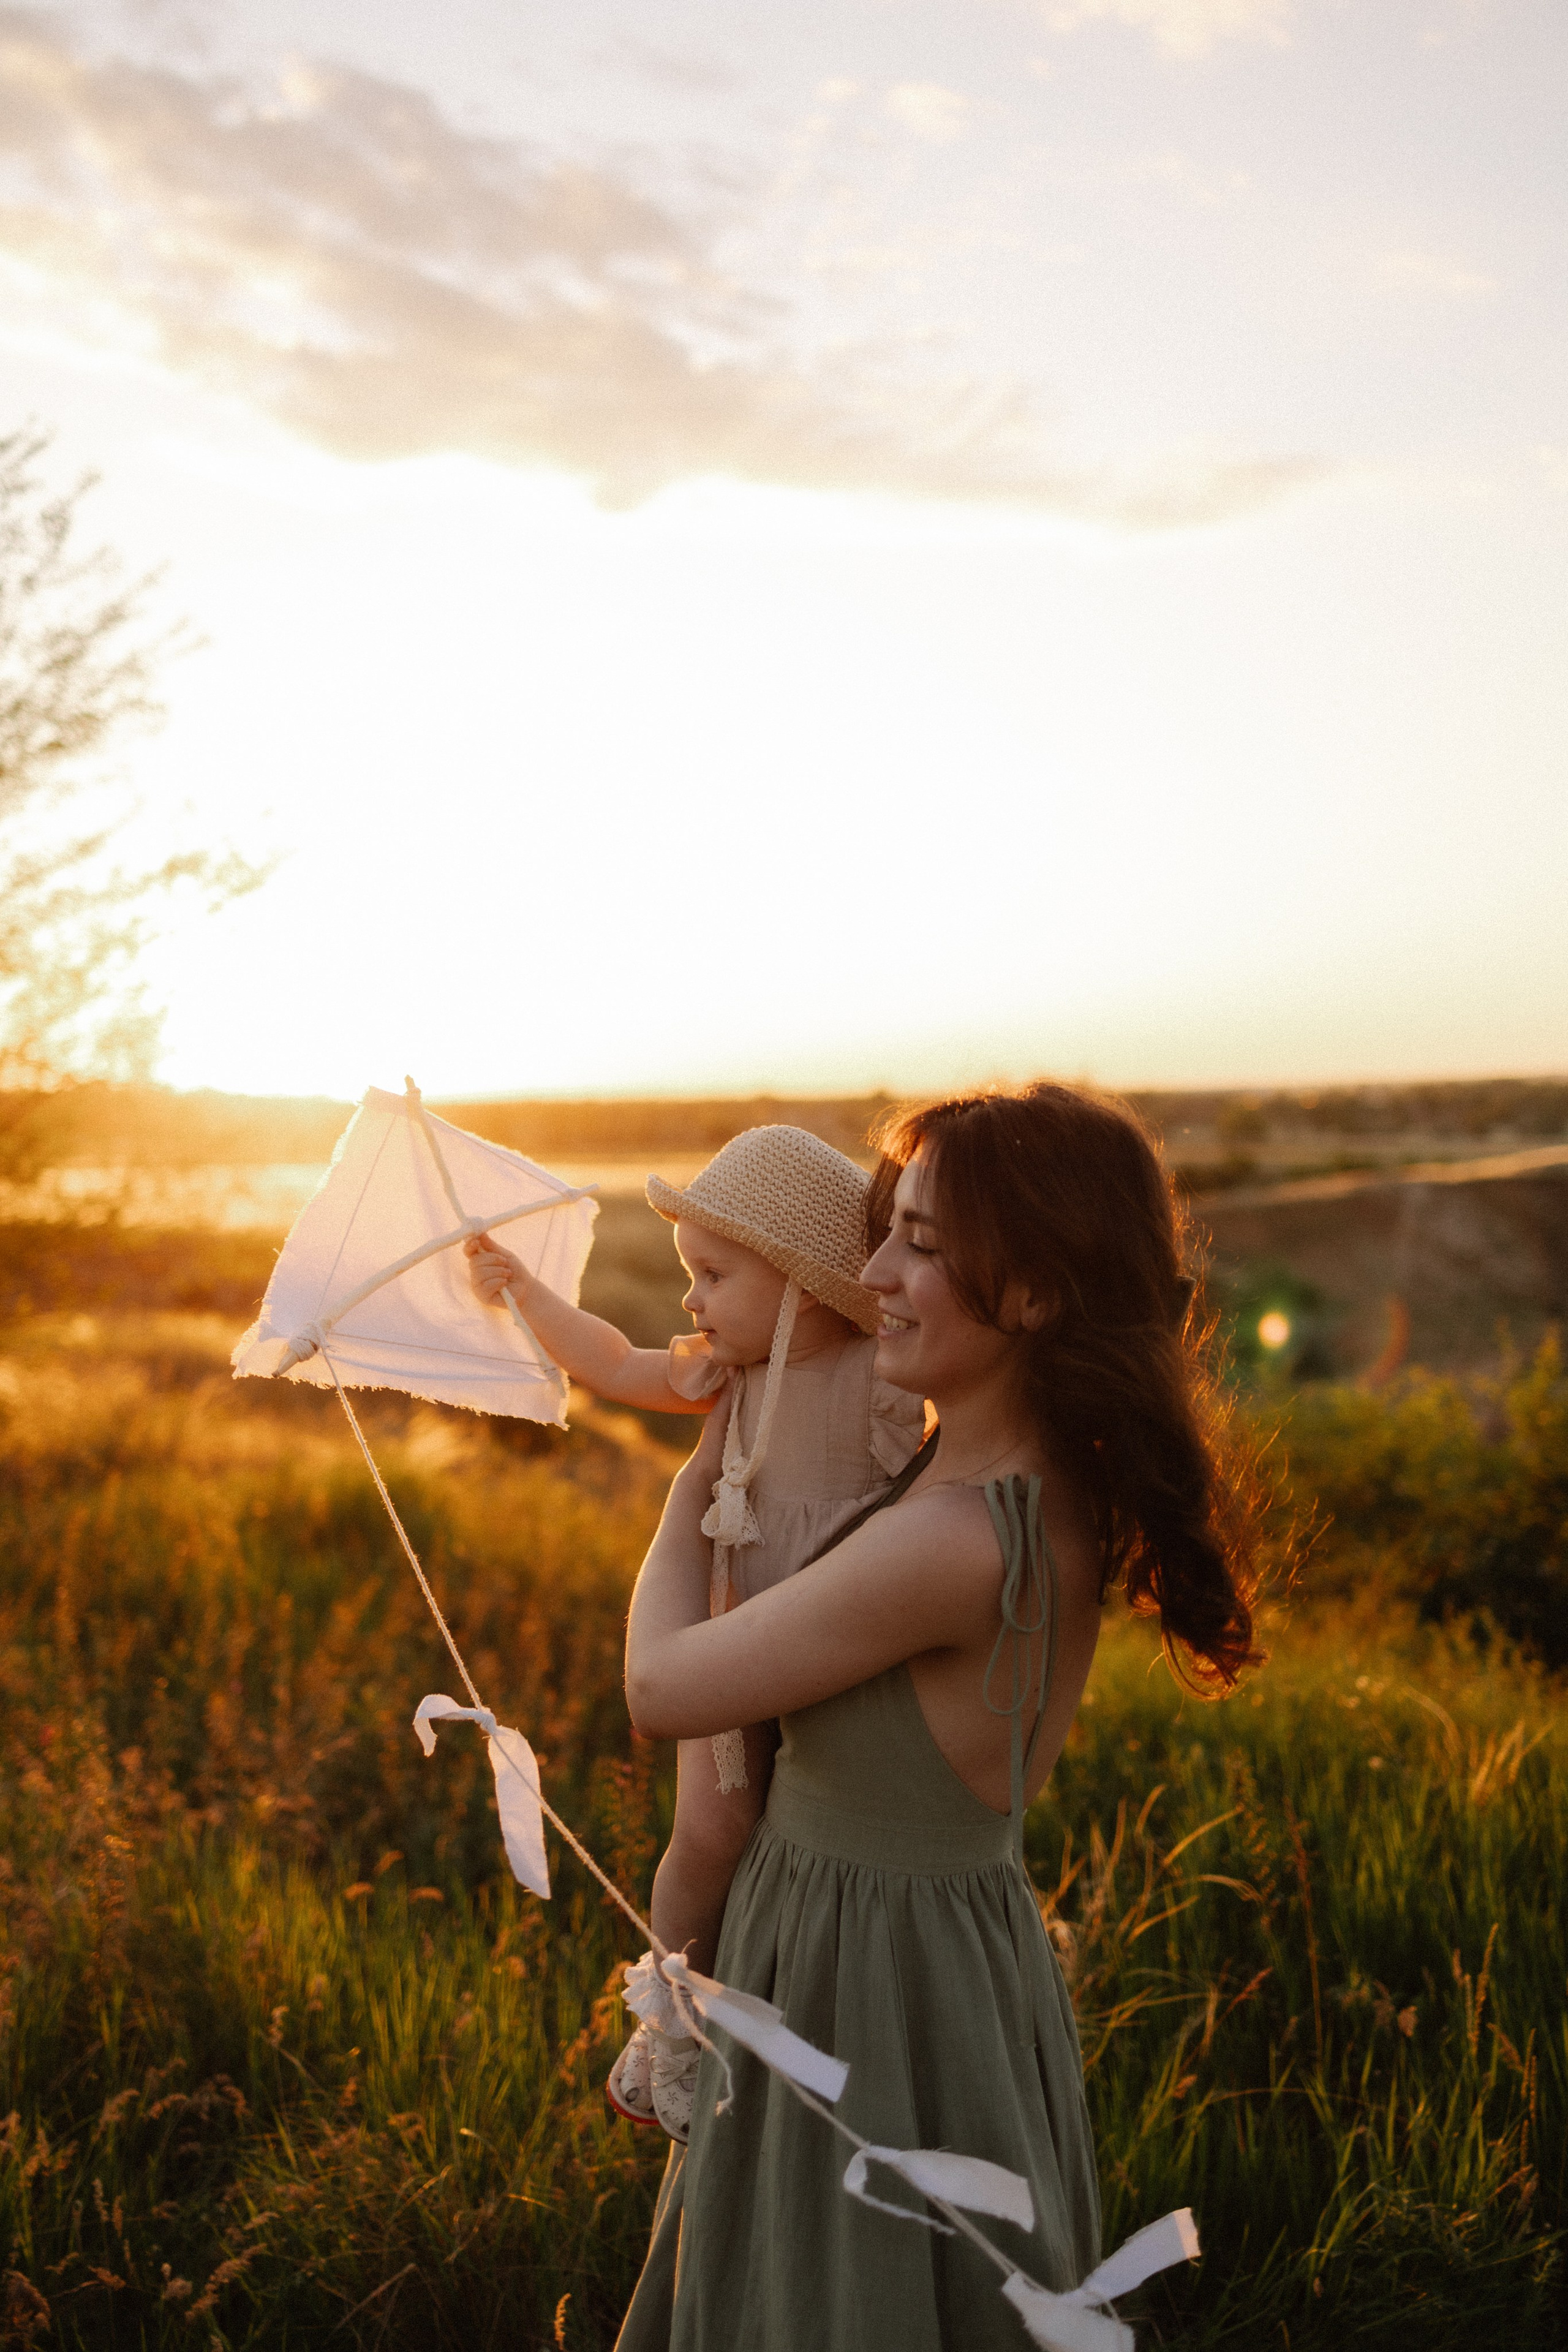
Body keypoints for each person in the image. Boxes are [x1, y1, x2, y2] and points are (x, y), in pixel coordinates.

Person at [615, 1082, 1262, 2351]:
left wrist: (690, 1494)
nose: (874, 1273)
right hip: (916, 1963)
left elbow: (661, 1689)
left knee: (834, 2300)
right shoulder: (1013, 1485)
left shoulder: (950, 1540)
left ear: (1028, 1295)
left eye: (918, 1242)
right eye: (883, 1232)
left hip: (866, 1993)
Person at [464, 1125, 925, 2137]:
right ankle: (669, 2014)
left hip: (841, 1650)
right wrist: (526, 1295)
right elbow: (615, 1362)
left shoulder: (885, 1376)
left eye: (713, 1274)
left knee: (809, 1841)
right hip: (727, 1645)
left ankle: (793, 2035)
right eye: (690, 1275)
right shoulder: (730, 1378)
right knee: (712, 1830)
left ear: (804, 1282)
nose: (691, 1300)